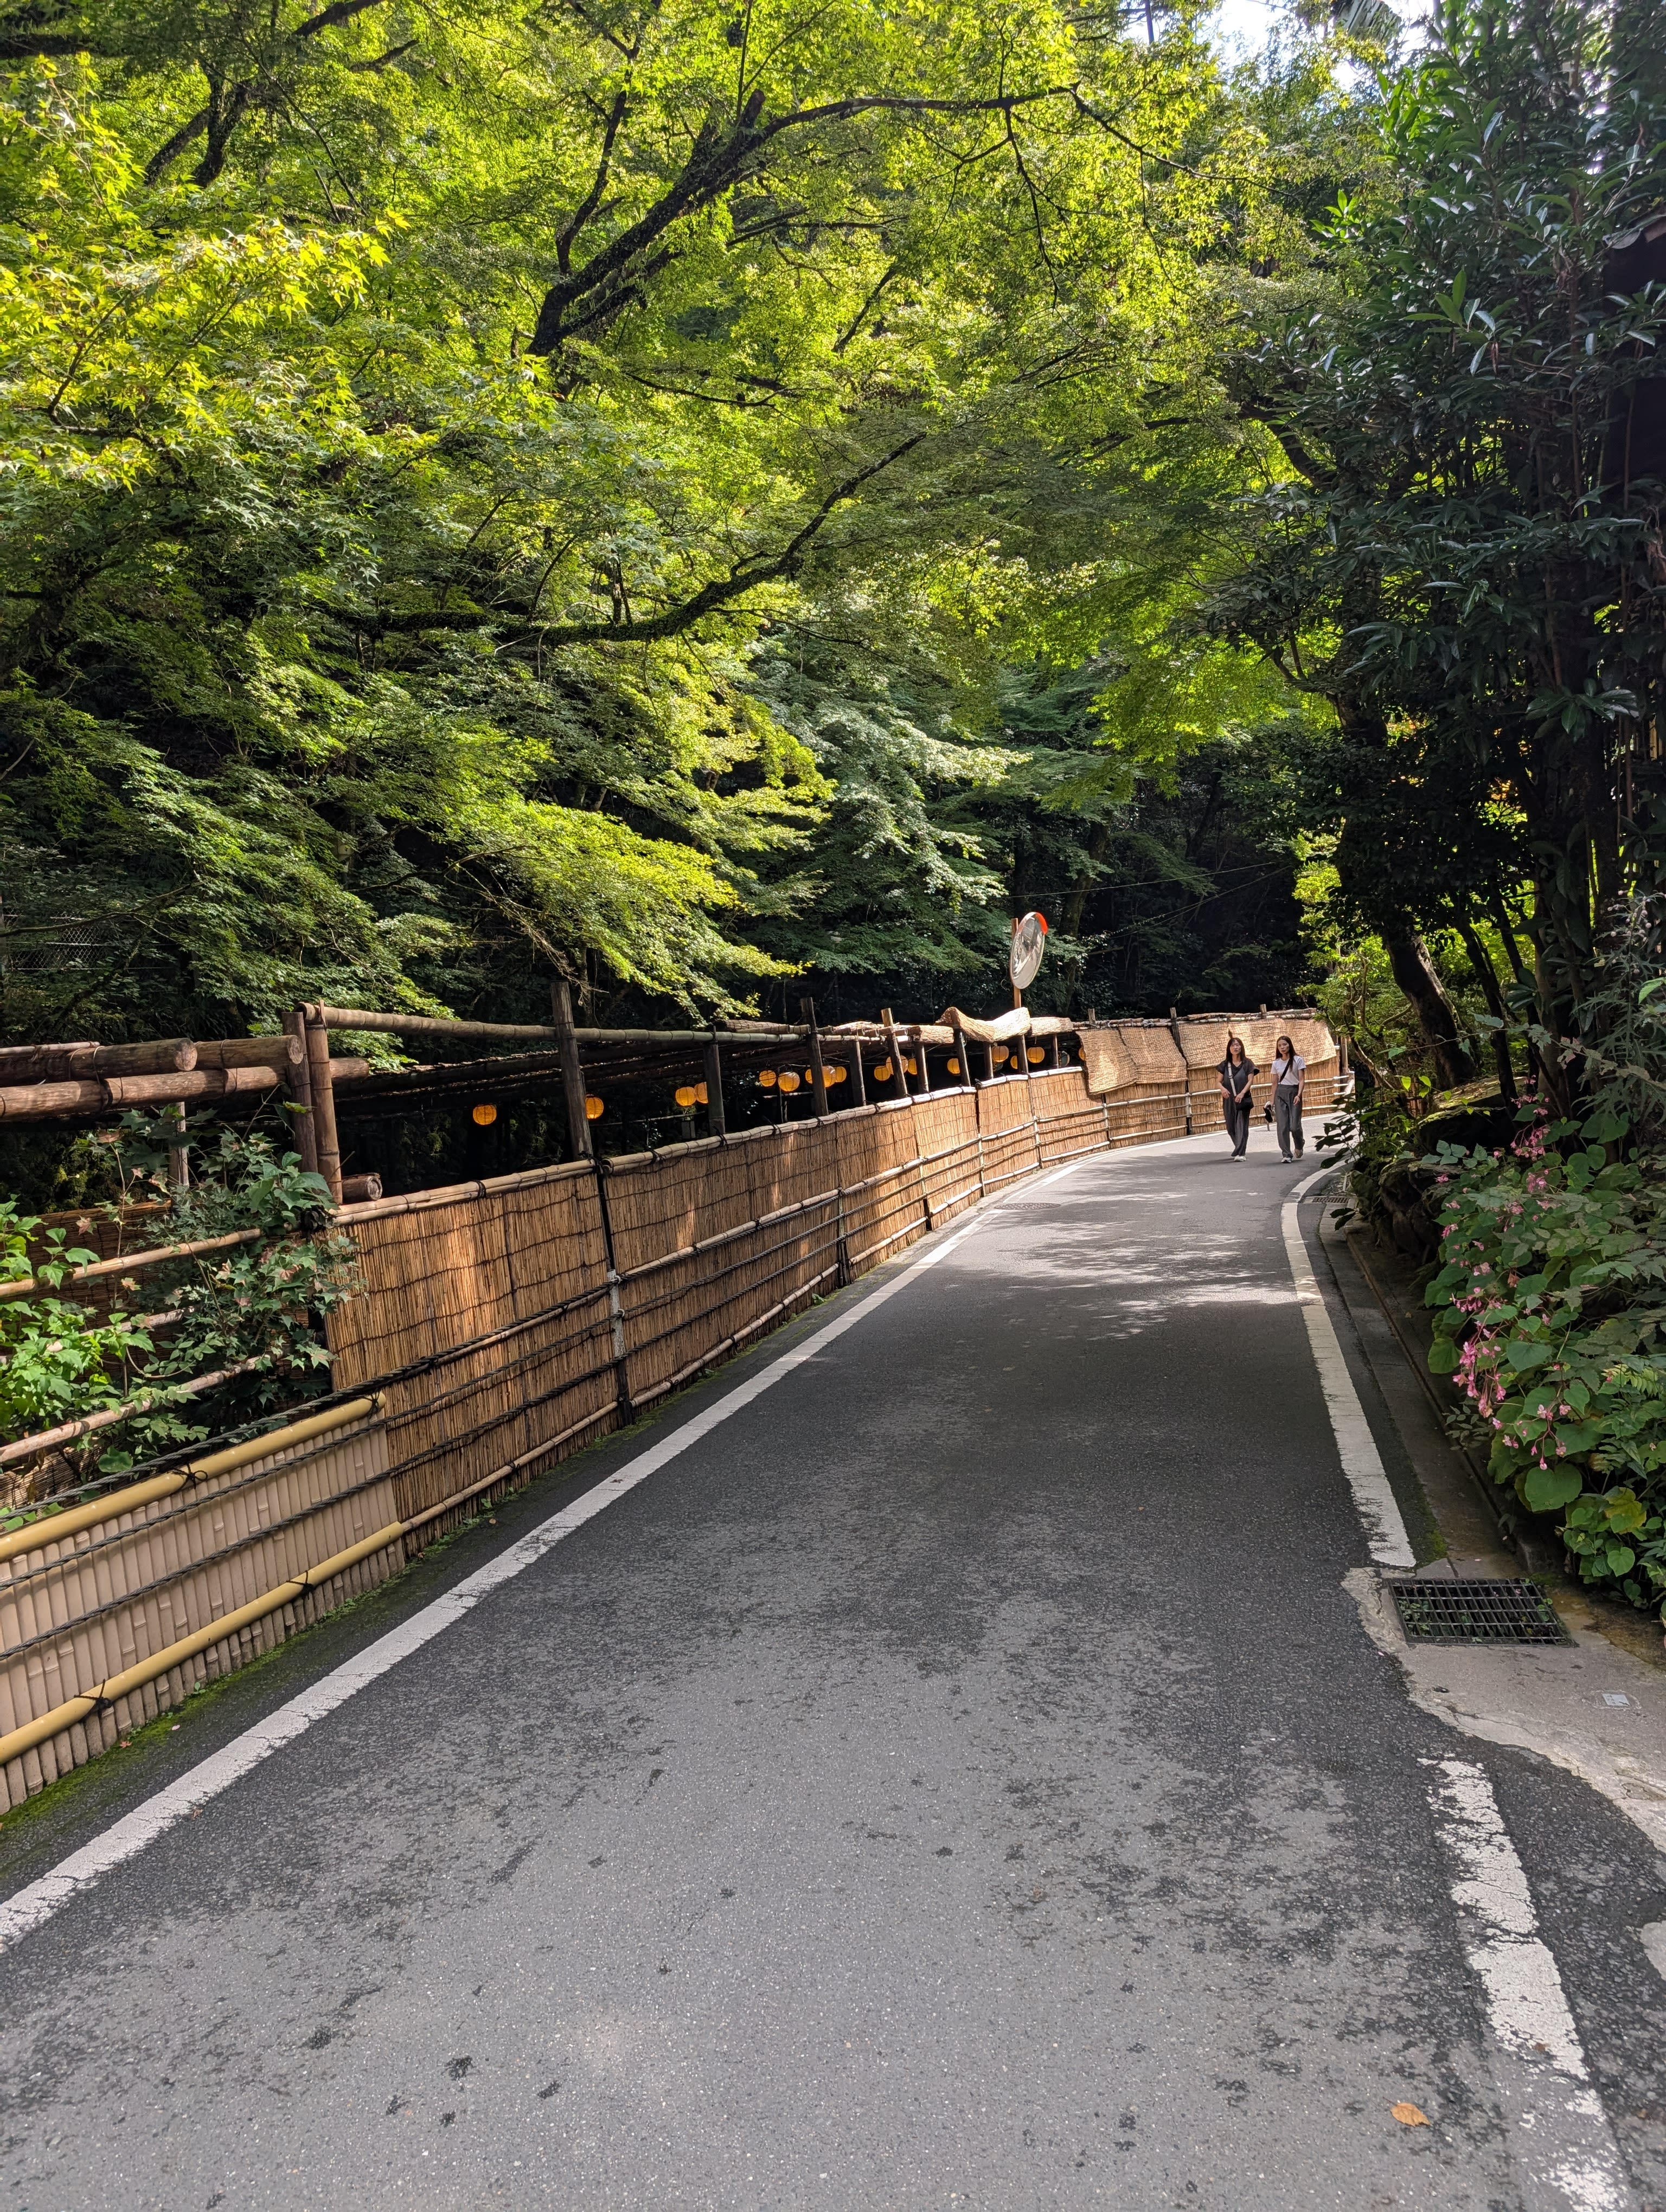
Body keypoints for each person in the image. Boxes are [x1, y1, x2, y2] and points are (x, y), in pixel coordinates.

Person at [1219, 1036, 1257, 1159]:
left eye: (1238, 1045)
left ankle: (1241, 1153)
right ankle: (1238, 1148)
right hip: (1229, 1100)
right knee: (1231, 1127)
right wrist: (1223, 1089)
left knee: (1242, 1125)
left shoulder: (1248, 1064)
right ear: (1229, 1049)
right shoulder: (1224, 1065)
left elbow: (1250, 1080)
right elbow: (1218, 1081)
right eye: (1233, 1045)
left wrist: (1243, 1093)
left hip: (1242, 1099)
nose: (1235, 1047)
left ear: (1241, 1047)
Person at [1271, 1032, 1305, 1162]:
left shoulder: (1298, 1060)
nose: (1282, 1047)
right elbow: (1274, 1083)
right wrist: (1272, 1101)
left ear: (1289, 1045)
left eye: (1284, 1044)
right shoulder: (1276, 1063)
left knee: (1294, 1126)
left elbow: (1302, 1080)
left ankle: (1299, 1143)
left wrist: (1299, 1094)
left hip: (1294, 1092)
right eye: (1279, 1045)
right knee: (1283, 1126)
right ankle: (1286, 1154)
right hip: (1280, 1093)